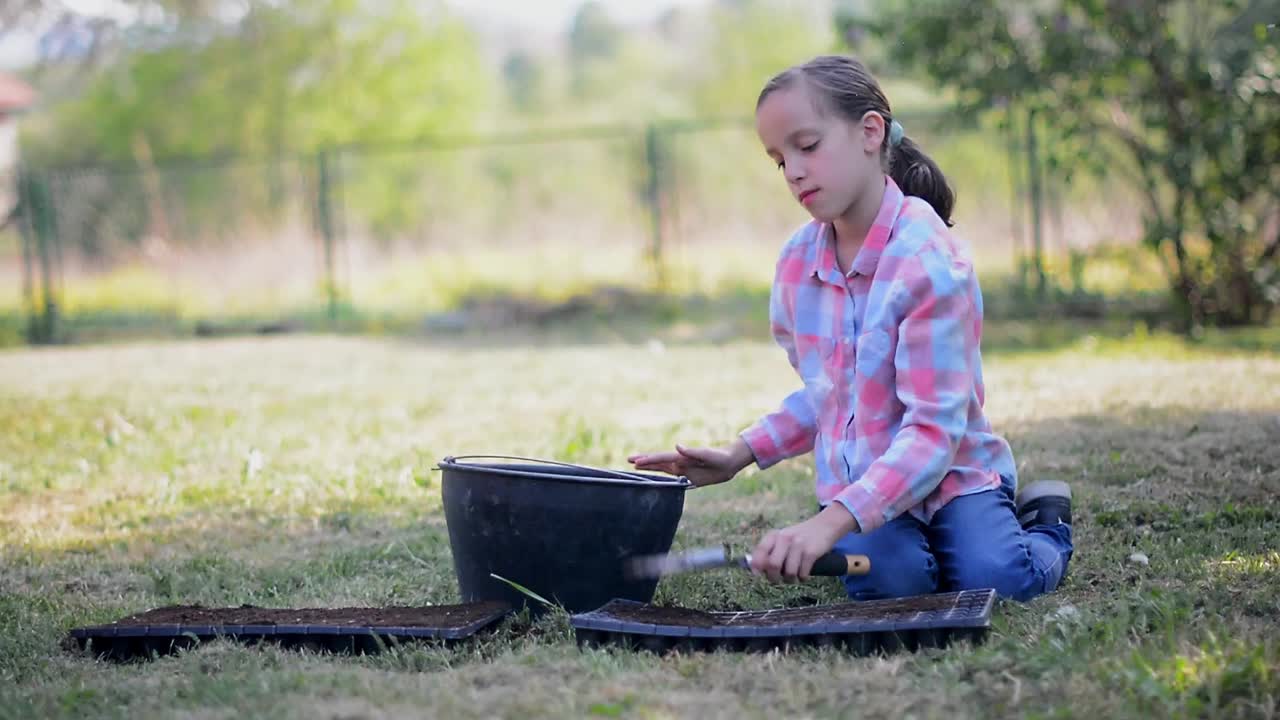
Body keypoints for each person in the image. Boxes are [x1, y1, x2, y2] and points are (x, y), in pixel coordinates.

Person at [628, 55, 1073, 602]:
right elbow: (832, 395)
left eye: (807, 146)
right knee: (894, 586)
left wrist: (825, 526)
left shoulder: (928, 261)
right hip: (861, 488)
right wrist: (738, 455)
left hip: (953, 474)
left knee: (999, 583)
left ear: (869, 132)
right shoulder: (797, 265)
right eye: (778, 159)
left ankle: (1045, 525)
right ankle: (915, 551)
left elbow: (935, 431)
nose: (792, 170)